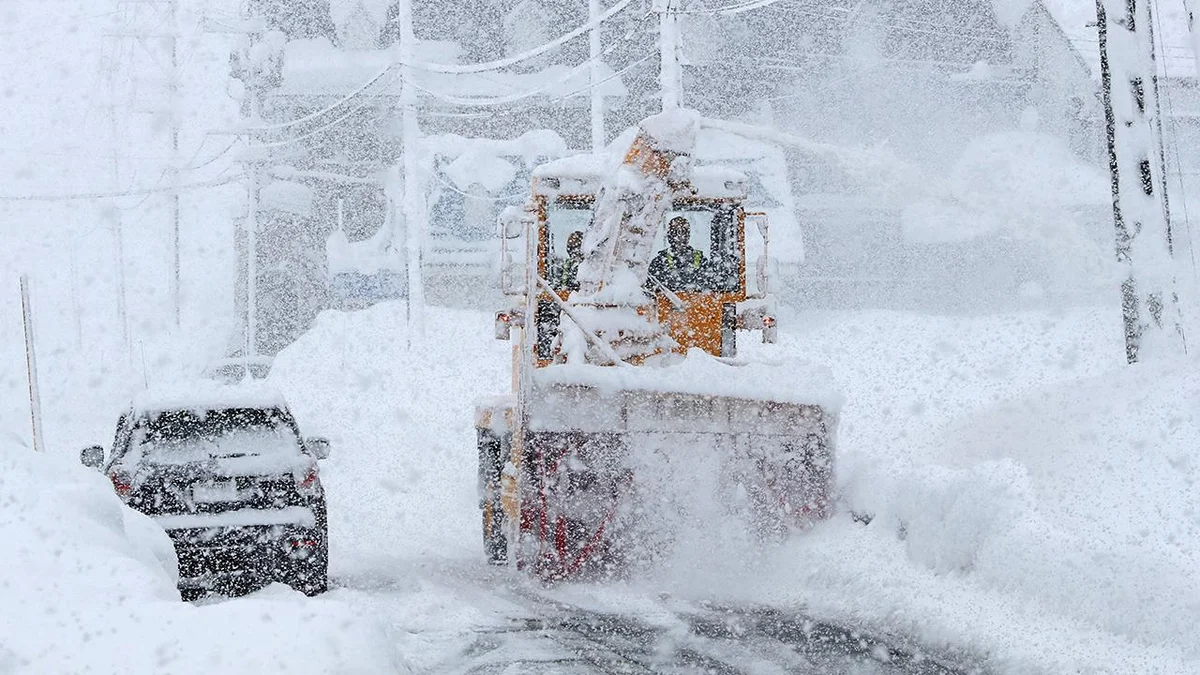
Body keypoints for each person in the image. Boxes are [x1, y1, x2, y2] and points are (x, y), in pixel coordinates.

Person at [649, 217, 707, 291]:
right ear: (669, 236)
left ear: (688, 235)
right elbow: (651, 292)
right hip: (669, 302)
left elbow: (709, 289)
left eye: (684, 232)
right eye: (676, 232)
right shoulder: (658, 263)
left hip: (697, 302)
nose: (681, 237)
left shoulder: (701, 260)